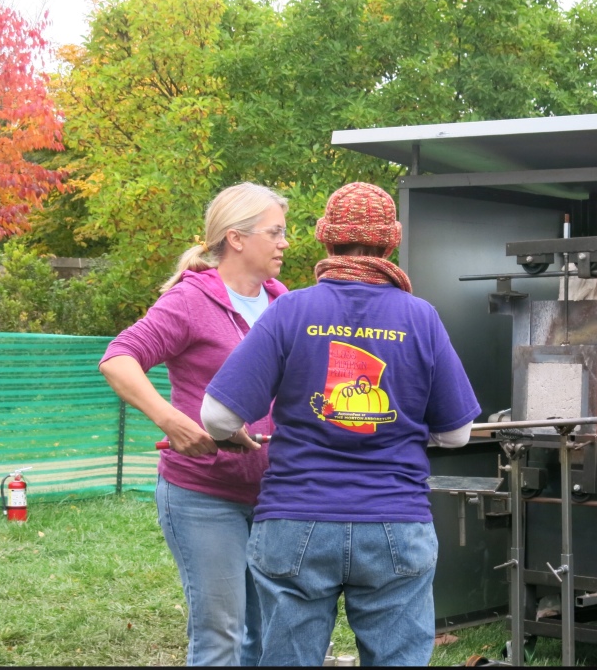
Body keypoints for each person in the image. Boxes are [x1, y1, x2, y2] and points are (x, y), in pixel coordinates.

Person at [199, 181, 481, 666]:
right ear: (391, 241)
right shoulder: (421, 316)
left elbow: (217, 416)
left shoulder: (290, 309)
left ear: (326, 237)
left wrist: (239, 435)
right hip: (395, 521)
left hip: (295, 518)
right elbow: (457, 433)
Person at [98, 182, 291, 666]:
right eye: (276, 232)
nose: (286, 243)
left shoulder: (282, 299)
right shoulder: (190, 301)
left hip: (274, 495)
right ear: (238, 238)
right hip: (204, 497)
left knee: (269, 631)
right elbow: (119, 359)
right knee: (220, 634)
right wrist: (172, 420)